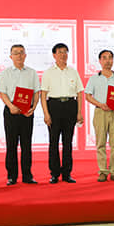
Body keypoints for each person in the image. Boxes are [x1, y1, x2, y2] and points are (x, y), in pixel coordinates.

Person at [0, 44, 40, 185]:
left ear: (25, 55)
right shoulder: (6, 73)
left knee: (27, 145)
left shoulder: (32, 73)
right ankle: (12, 176)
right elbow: (2, 92)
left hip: (27, 112)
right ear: (11, 56)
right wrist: (11, 106)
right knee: (11, 144)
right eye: (16, 53)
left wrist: (34, 107)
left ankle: (27, 175)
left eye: (21, 52)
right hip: (11, 111)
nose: (19, 55)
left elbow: (37, 92)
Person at [40, 43, 84, 184]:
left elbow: (79, 93)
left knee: (68, 142)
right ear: (54, 55)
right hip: (54, 106)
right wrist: (46, 114)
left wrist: (79, 112)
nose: (63, 55)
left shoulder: (73, 72)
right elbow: (43, 94)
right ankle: (54, 173)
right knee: (53, 142)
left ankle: (66, 173)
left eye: (65, 52)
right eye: (60, 52)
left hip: (70, 106)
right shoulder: (48, 72)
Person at [85, 49, 114, 182]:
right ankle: (103, 171)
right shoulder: (94, 78)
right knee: (100, 143)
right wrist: (100, 104)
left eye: (110, 58)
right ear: (100, 61)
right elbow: (87, 96)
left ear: (113, 60)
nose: (108, 61)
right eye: (104, 58)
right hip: (100, 112)